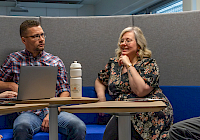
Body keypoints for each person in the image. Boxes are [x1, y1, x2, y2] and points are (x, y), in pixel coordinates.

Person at [0, 20, 86, 140]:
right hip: (27, 113)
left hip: (53, 110)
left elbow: (64, 92)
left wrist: (53, 112)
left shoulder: (55, 61)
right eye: (36, 36)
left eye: (42, 35)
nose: (41, 39)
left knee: (79, 127)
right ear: (24, 40)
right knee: (21, 128)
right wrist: (11, 85)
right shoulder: (14, 59)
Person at [95, 26, 173, 140]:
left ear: (139, 45)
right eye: (122, 41)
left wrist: (129, 65)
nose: (123, 44)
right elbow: (100, 80)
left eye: (128, 40)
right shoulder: (114, 64)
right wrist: (101, 98)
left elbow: (140, 91)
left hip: (148, 111)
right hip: (123, 111)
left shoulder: (148, 64)